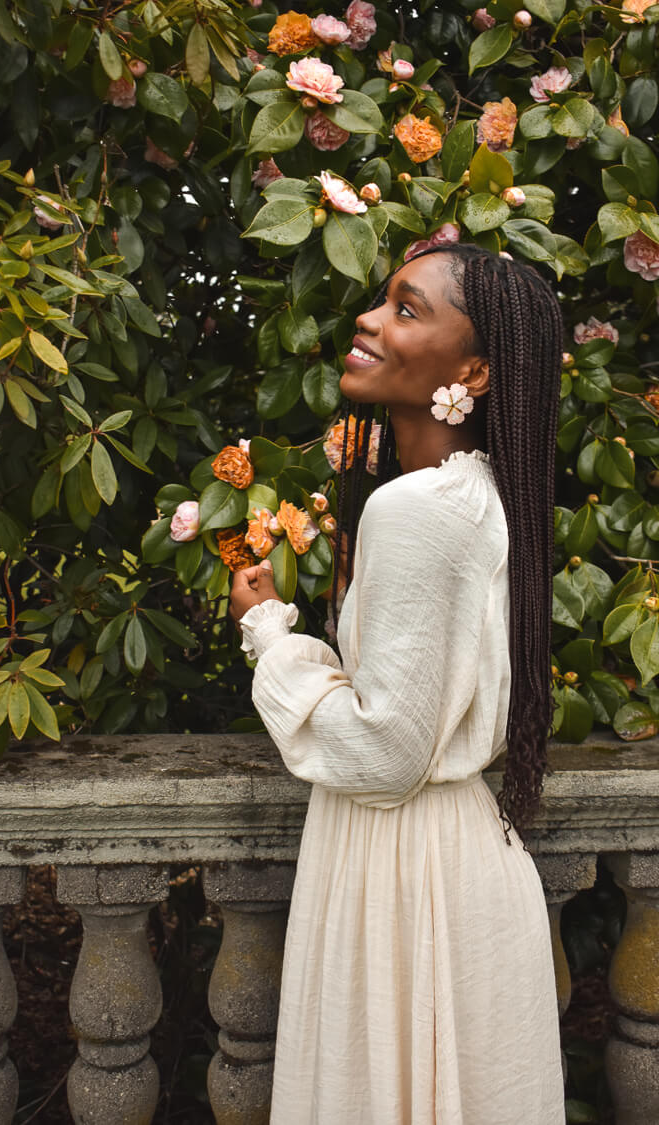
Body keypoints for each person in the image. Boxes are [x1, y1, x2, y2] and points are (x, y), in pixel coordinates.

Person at [229, 244, 566, 1124]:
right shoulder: (476, 493)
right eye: (383, 302)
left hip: (402, 873)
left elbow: (382, 748)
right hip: (446, 861)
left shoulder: (415, 510)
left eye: (408, 310)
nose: (370, 322)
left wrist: (270, 637)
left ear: (476, 369)